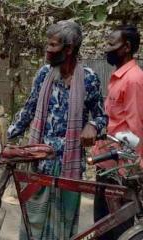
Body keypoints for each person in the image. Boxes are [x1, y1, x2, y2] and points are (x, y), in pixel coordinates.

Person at [7, 20, 108, 240]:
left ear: (69, 49)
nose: (47, 50)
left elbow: (102, 117)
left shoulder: (89, 79)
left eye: (52, 45)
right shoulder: (44, 74)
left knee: (62, 229)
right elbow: (29, 109)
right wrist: (7, 136)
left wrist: (92, 125)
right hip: (40, 162)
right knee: (33, 224)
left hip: (69, 167)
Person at [93, 25, 143, 240]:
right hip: (106, 165)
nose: (107, 49)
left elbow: (136, 127)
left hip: (120, 172)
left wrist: (129, 174)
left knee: (117, 231)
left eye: (112, 44)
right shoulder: (119, 77)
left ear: (127, 47)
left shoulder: (133, 79)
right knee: (102, 227)